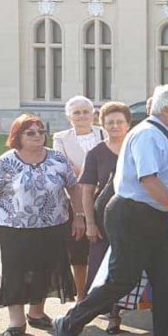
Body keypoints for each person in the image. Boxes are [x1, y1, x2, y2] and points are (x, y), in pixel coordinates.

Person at [52, 86, 168, 336]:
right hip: (132, 213)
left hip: (153, 214)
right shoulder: (147, 135)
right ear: (166, 110)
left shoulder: (160, 134)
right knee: (123, 278)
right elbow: (148, 179)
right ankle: (70, 322)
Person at [0, 115, 78, 336]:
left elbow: (74, 188)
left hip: (54, 225)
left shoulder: (57, 158)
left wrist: (79, 216)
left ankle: (37, 312)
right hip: (15, 227)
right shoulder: (6, 162)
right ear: (17, 136)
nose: (38, 136)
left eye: (41, 132)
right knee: (17, 270)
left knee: (45, 267)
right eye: (31, 132)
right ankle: (16, 321)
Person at [77, 102, 133, 331]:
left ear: (128, 124)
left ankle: (119, 311)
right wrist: (89, 222)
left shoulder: (136, 147)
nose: (115, 126)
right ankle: (102, 312)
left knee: (127, 265)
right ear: (103, 125)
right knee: (102, 266)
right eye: (110, 122)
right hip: (103, 219)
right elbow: (87, 190)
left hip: (133, 218)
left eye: (120, 121)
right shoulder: (96, 153)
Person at [52, 96, 106, 301]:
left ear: (93, 114)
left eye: (86, 111)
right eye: (77, 112)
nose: (82, 116)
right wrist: (89, 174)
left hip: (104, 196)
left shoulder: (104, 133)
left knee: (103, 245)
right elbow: (63, 166)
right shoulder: (61, 138)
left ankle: (103, 294)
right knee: (78, 249)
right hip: (74, 199)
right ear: (69, 117)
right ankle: (82, 296)